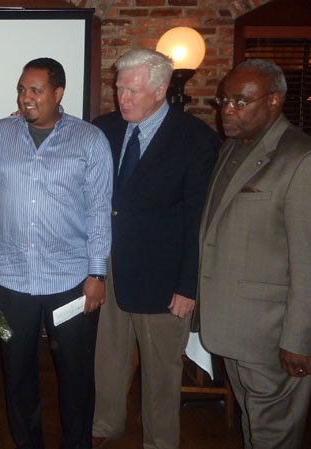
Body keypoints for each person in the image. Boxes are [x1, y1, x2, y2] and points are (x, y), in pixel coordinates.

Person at [196, 59, 311, 449]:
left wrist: (300, 339)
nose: (227, 109)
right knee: (255, 428)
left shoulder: (307, 161)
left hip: (272, 335)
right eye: (224, 100)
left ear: (274, 101)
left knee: (274, 434)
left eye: (241, 102)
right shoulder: (232, 149)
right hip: (233, 325)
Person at [0, 57, 113, 449]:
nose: (26, 98)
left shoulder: (89, 140)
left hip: (71, 279)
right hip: (11, 279)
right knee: (17, 375)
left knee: (76, 376)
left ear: (58, 93)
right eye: (21, 89)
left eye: (35, 90)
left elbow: (100, 209)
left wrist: (97, 274)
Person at [91, 48, 219, 449]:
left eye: (132, 90)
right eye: (118, 88)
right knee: (106, 359)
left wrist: (188, 286)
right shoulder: (104, 128)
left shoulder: (195, 139)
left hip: (164, 279)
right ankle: (104, 426)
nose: (122, 98)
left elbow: (198, 221)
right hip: (109, 267)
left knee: (162, 373)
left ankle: (160, 442)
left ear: (161, 91)